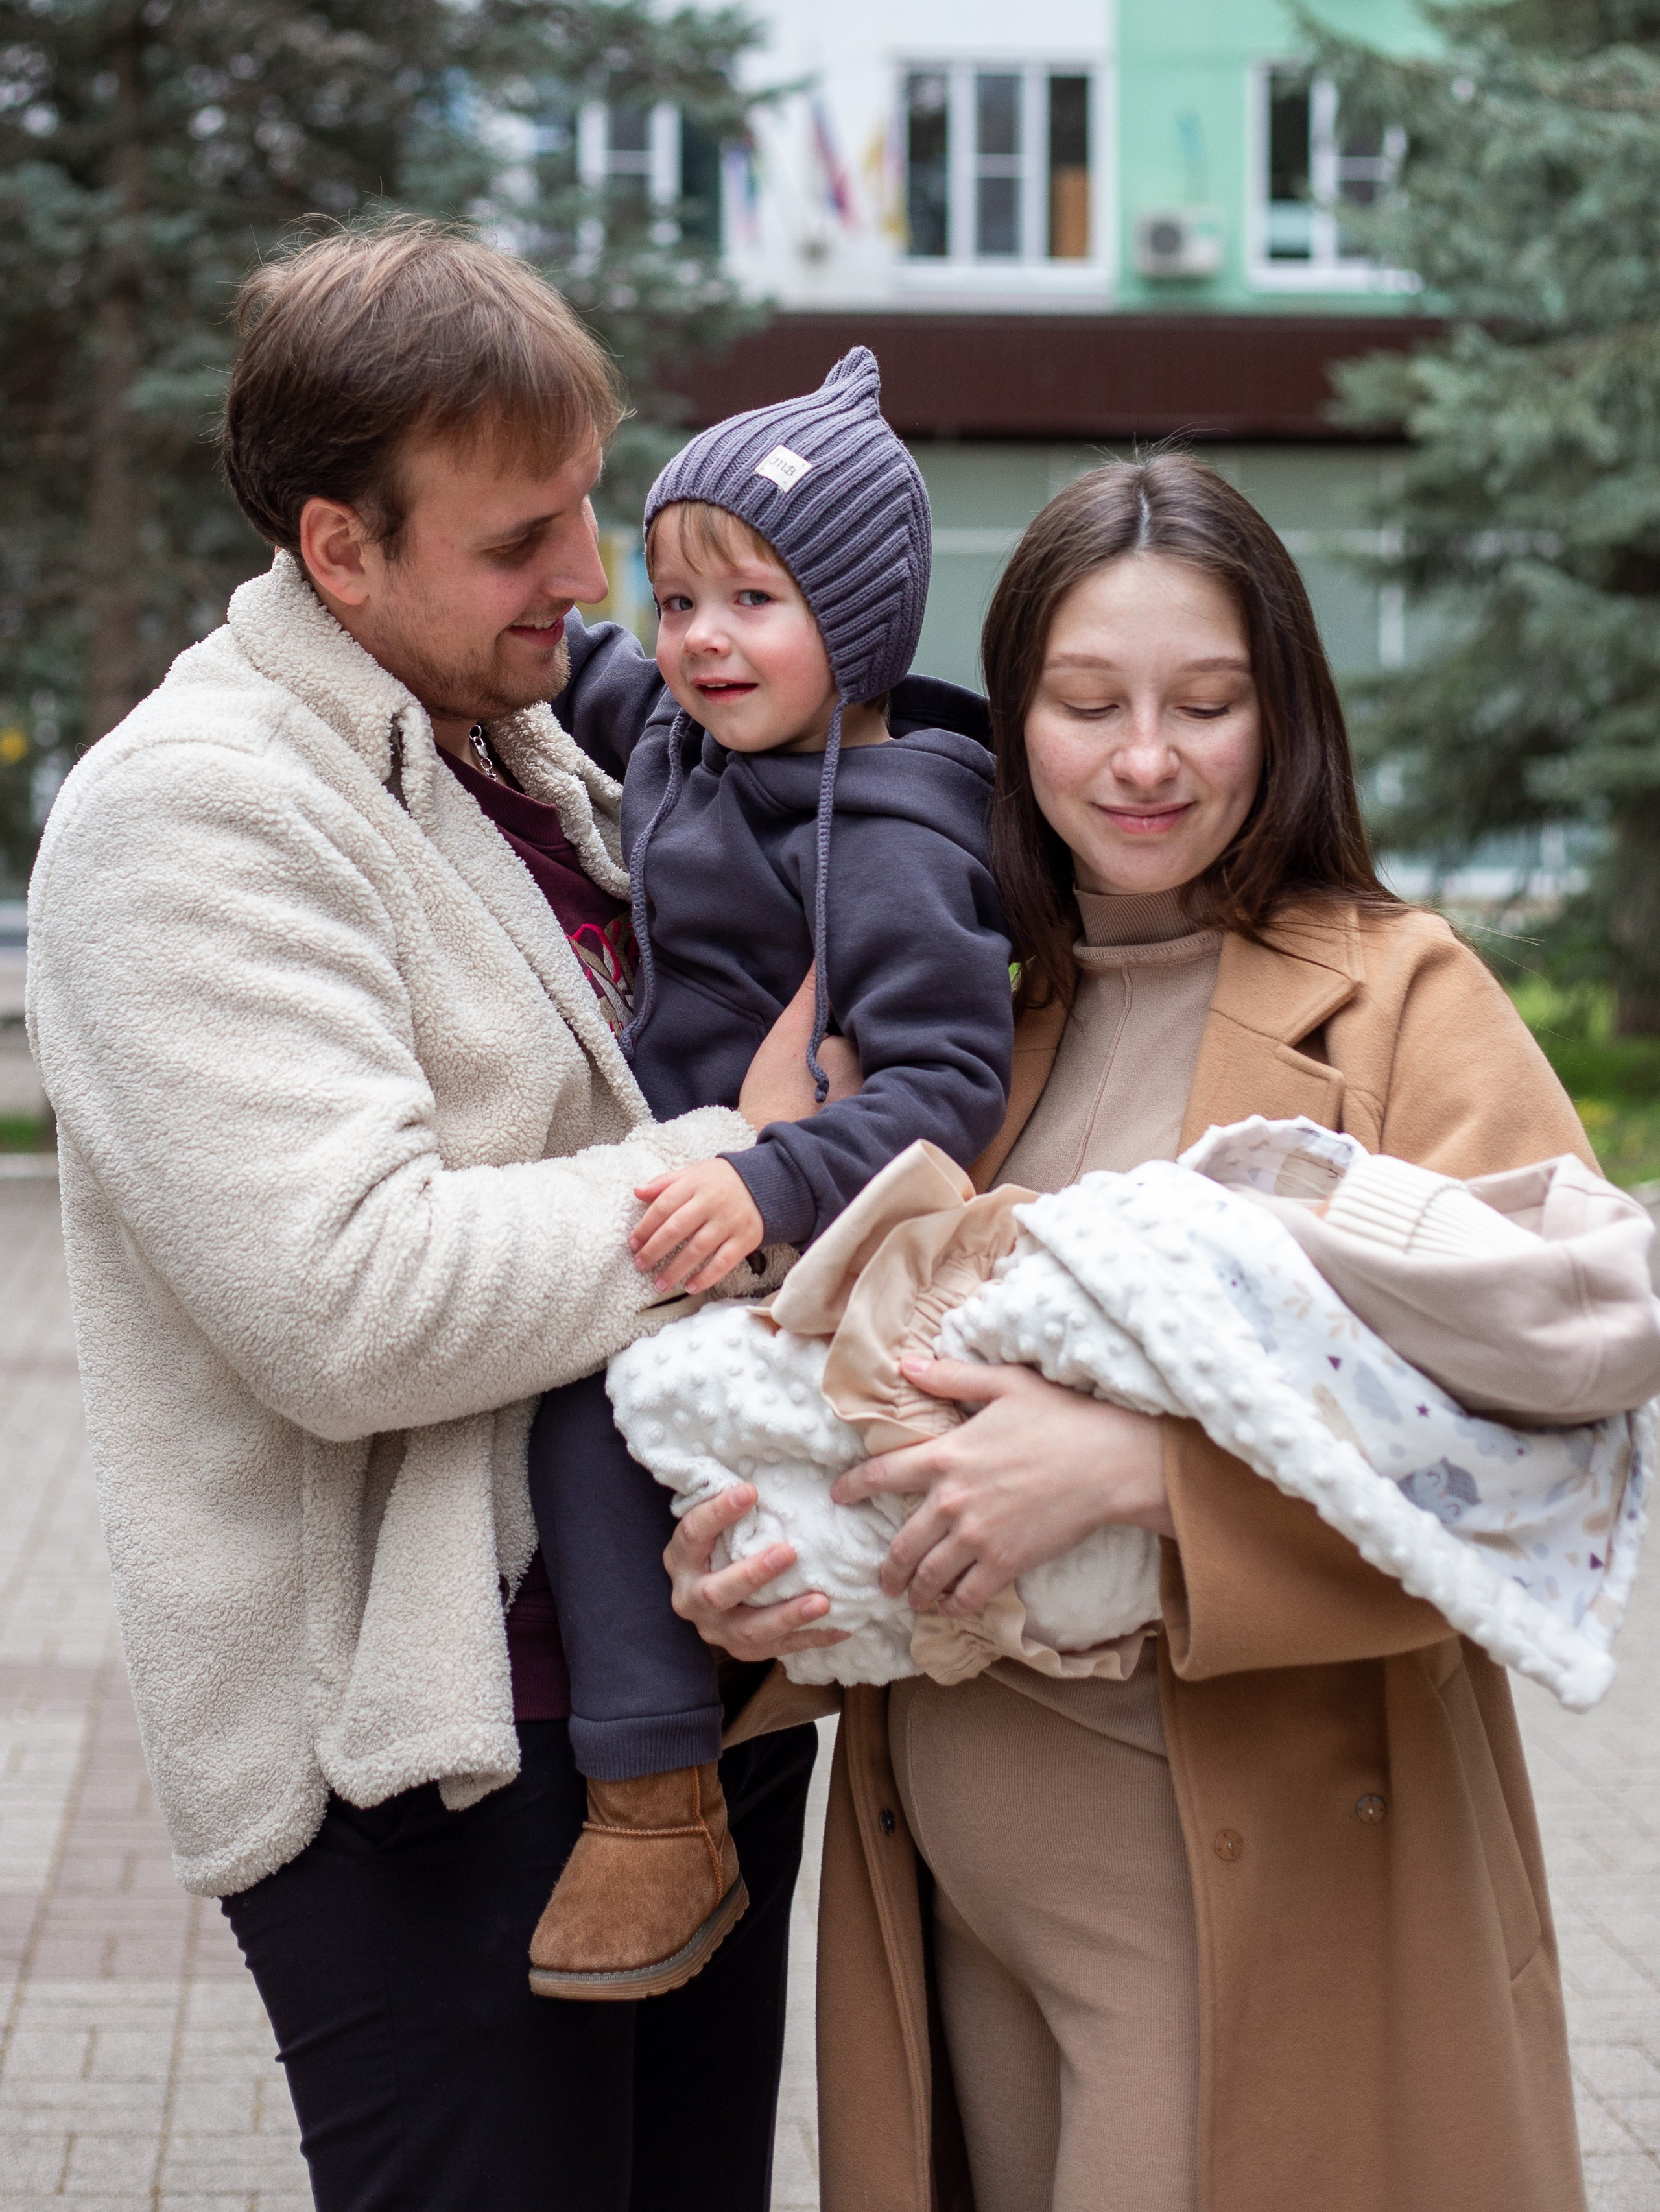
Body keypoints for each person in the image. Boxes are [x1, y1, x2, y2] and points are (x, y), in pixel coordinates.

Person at [663, 452, 1612, 2212]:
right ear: (1010, 718)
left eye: (1207, 702)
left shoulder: (1398, 1000)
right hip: (947, 1920)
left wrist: (1147, 1475)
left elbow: (1549, 1445)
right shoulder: (961, 1022)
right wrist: (759, 1595)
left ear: (1288, 716)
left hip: (1260, 1923)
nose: (1146, 758)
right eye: (1087, 703)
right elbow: (847, 1400)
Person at [25, 219, 831, 2212]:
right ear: (338, 547)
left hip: (682, 1679)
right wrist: (740, 1162)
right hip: (439, 1752)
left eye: (586, 506)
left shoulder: (517, 744)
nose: (587, 572)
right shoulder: (192, 811)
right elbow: (350, 1298)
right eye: (518, 538)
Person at [525, 350, 1012, 2001]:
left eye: (754, 598)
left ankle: (652, 1801)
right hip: (676, 1185)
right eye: (678, 598)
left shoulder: (890, 843)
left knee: (592, 1423)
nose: (700, 638)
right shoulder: (682, 734)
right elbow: (569, 669)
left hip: (775, 1232)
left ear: (861, 627)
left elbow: (953, 1085)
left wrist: (779, 1177)